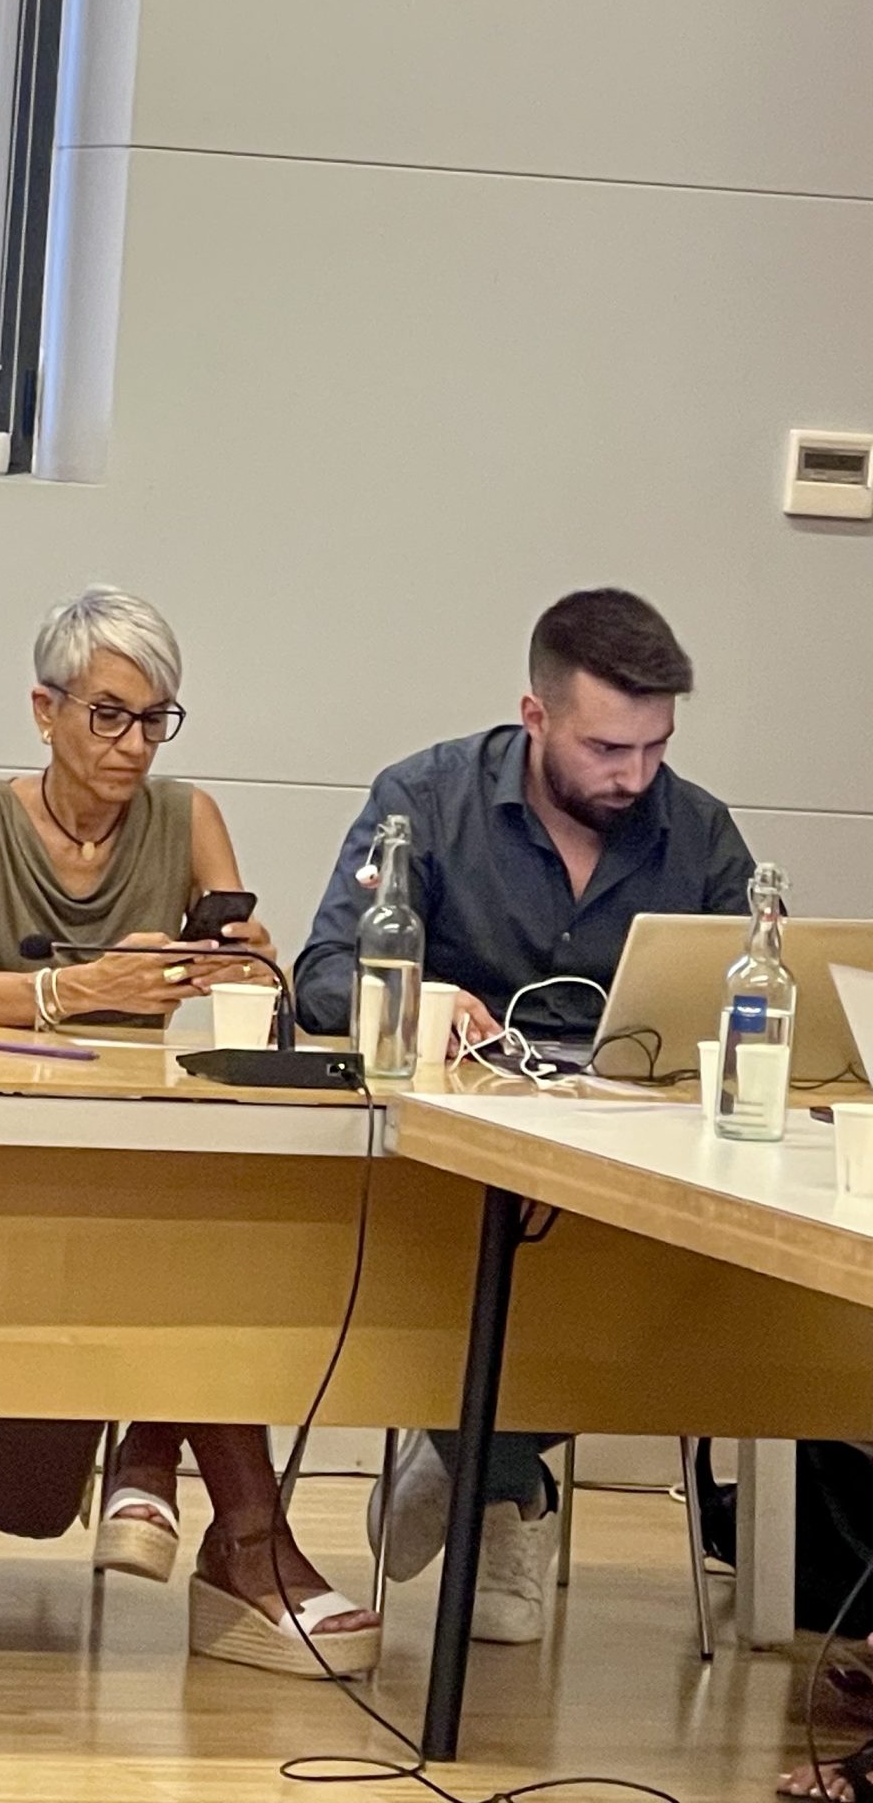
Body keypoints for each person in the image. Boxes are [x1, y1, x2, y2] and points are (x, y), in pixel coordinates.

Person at [0, 584, 381, 1678]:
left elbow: (251, 984)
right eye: (108, 715)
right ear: (45, 712)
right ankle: (237, 1534)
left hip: (153, 1139)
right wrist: (82, 989)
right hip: (10, 1141)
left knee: (223, 1222)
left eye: (154, 719)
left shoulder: (187, 813)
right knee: (190, 1240)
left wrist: (236, 963)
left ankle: (157, 1461)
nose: (132, 746)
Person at [295, 587, 753, 1646]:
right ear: (534, 716)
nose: (634, 775)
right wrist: (418, 998)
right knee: (433, 1269)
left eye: (656, 747)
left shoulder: (700, 832)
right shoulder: (424, 799)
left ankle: (467, 1454)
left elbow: (761, 1003)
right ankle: (510, 1490)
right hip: (446, 1170)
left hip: (634, 1170)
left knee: (693, 1301)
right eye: (607, 748)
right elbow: (321, 974)